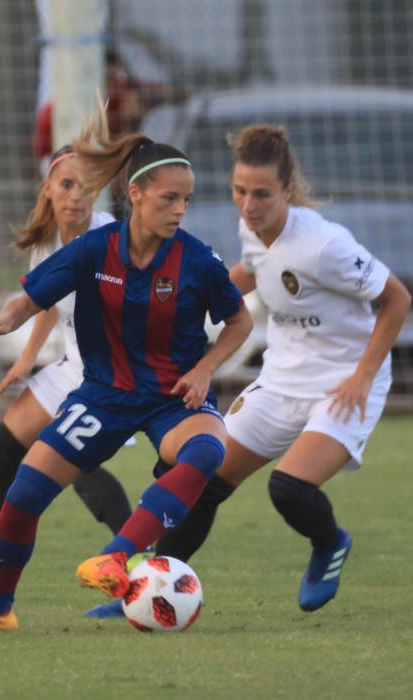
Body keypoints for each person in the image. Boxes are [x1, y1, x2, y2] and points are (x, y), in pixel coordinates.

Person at [0, 114, 253, 632]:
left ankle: (116, 555)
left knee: (207, 451)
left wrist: (205, 368)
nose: (180, 210)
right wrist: (6, 319)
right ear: (135, 193)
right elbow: (34, 296)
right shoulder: (94, 248)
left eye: (186, 200)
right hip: (104, 394)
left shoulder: (198, 260)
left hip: (171, 396)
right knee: (22, 496)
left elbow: (239, 320)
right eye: (168, 198)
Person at [151, 124, 411, 613]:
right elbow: (252, 269)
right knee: (201, 478)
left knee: (289, 488)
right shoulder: (253, 229)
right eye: (239, 191)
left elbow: (396, 299)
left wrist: (362, 376)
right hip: (282, 380)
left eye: (263, 194)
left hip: (344, 383)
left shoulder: (324, 245)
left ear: (288, 190)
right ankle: (152, 586)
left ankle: (330, 542)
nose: (249, 205)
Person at [0, 138, 134, 587]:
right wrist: (27, 359)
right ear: (48, 188)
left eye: (86, 186)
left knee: (73, 464)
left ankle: (135, 556)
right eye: (67, 185)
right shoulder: (48, 241)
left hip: (111, 376)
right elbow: (47, 301)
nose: (77, 195)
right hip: (73, 368)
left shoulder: (113, 240)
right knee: (4, 448)